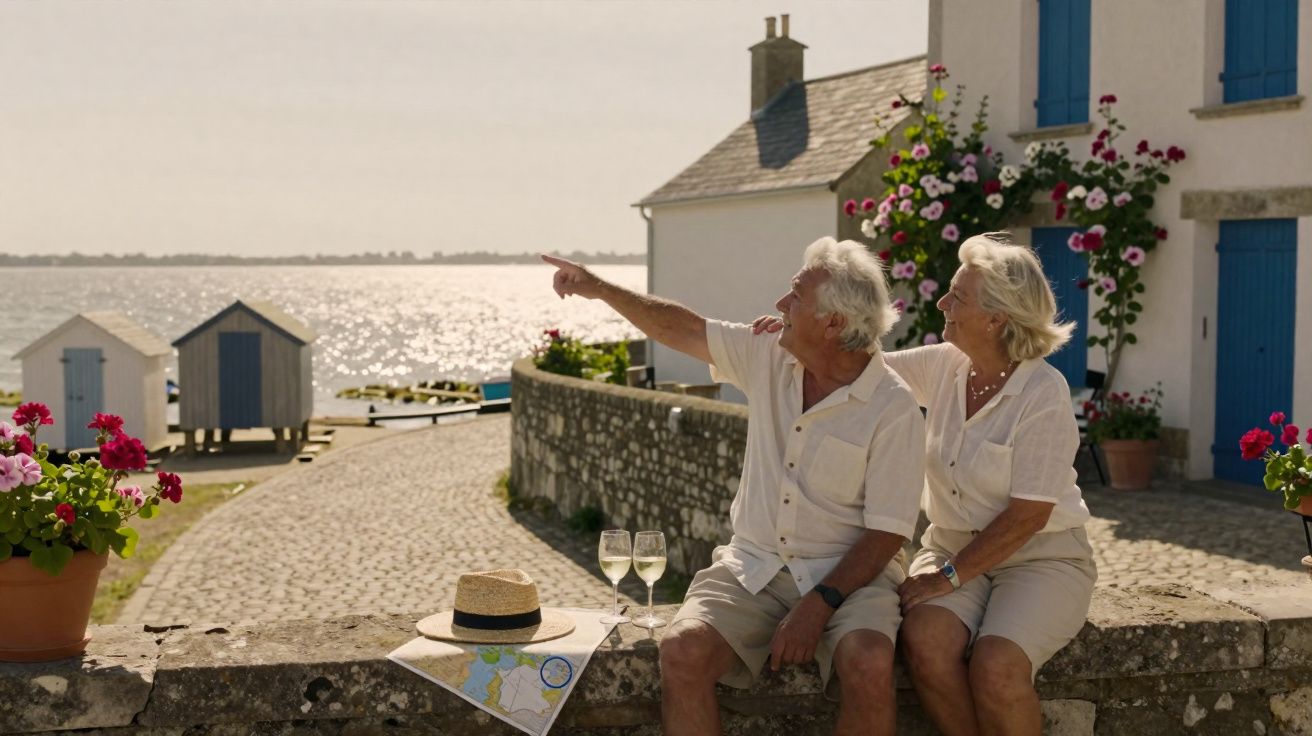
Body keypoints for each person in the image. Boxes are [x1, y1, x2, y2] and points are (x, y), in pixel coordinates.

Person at [542, 237, 925, 736]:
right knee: (681, 652)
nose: (779, 306)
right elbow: (680, 327)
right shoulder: (768, 352)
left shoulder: (893, 407)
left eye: (794, 297)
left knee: (871, 663)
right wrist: (598, 287)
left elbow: (887, 534)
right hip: (754, 564)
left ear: (833, 324)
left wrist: (818, 604)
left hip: (852, 578)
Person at [754, 233, 1097, 735]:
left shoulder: (1043, 392)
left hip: (1040, 557)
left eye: (957, 296)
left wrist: (947, 577)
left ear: (996, 317)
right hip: (953, 549)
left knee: (997, 665)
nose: (943, 302)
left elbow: (1029, 515)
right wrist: (796, 331)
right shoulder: (945, 365)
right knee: (925, 640)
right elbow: (857, 365)